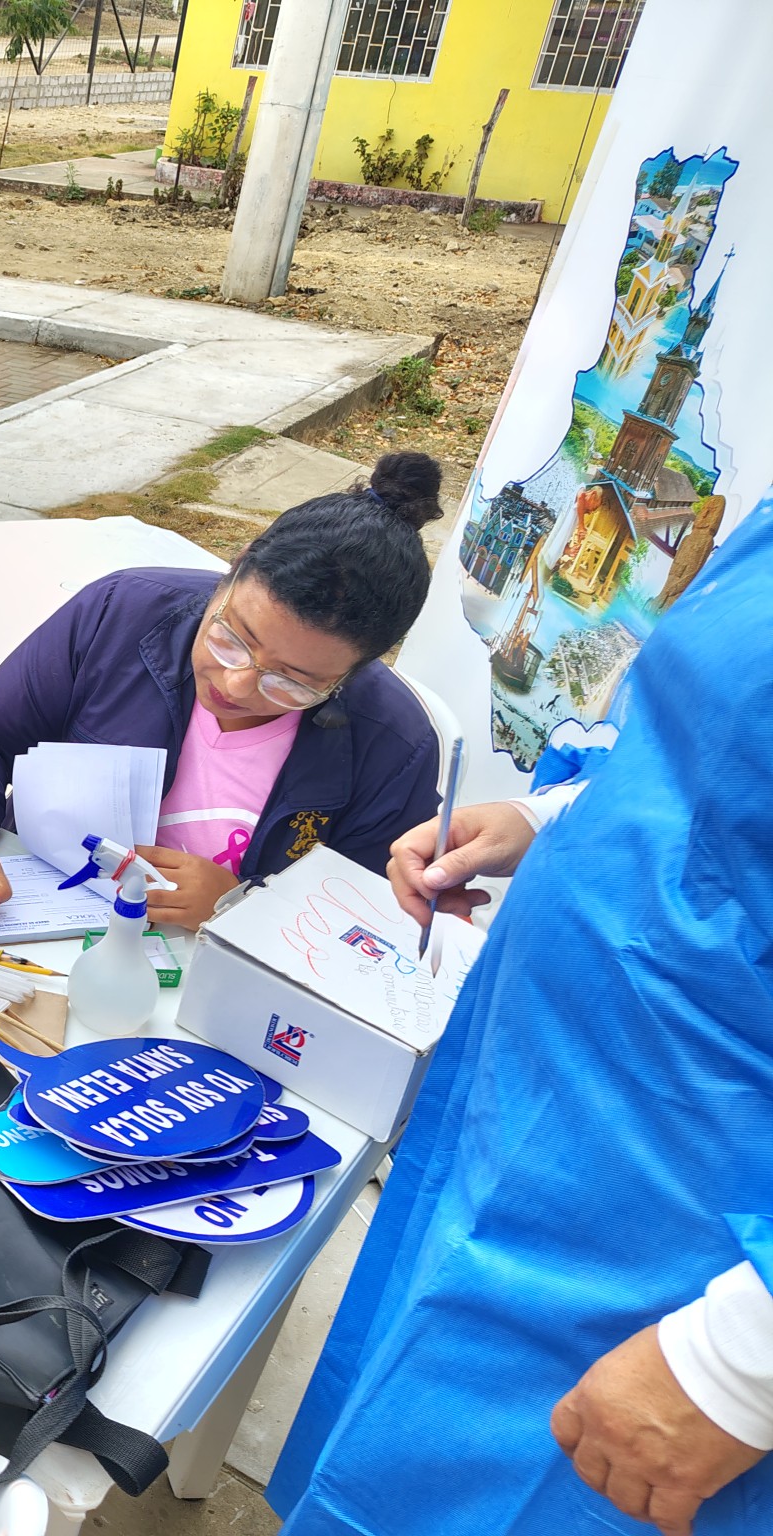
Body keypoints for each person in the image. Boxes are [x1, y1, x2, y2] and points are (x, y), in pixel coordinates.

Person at [267, 504, 773, 1535]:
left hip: (676, 1231)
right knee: (387, 1445)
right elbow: (714, 762)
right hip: (534, 1119)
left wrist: (742, 1359)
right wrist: (550, 817)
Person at [0, 452, 446, 930]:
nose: (235, 684)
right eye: (232, 638)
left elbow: (372, 918)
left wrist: (243, 904)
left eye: (291, 681)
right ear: (233, 571)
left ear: (356, 670)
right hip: (31, 916)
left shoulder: (393, 743)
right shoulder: (121, 614)